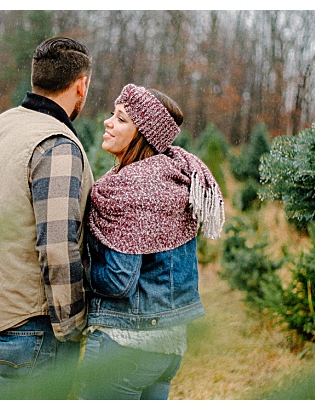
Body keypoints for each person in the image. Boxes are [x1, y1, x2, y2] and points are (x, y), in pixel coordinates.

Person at [0, 37, 94, 399]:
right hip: (32, 330)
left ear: (36, 79)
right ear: (81, 85)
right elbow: (57, 246)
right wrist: (73, 327)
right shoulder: (56, 144)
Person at [77, 84, 225, 400]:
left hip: (124, 343)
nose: (107, 122)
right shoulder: (173, 177)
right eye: (112, 115)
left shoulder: (132, 189)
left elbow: (119, 280)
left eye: (121, 119)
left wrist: (80, 270)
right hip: (167, 346)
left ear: (143, 133)